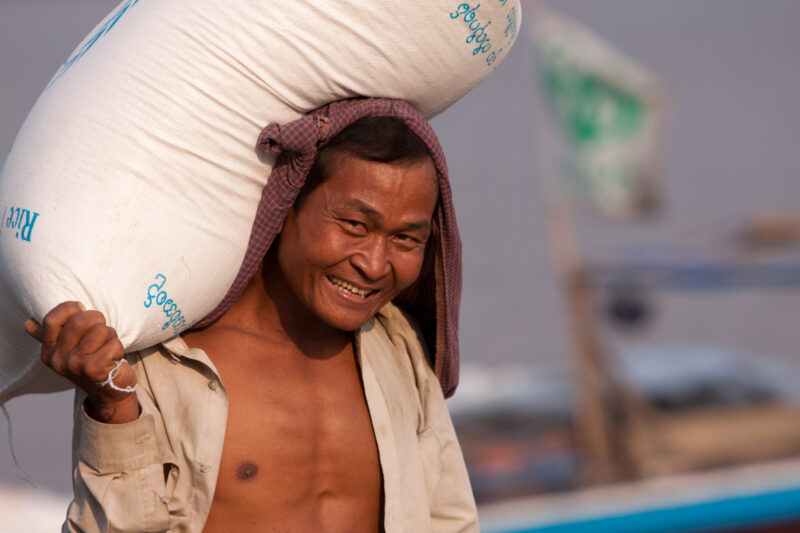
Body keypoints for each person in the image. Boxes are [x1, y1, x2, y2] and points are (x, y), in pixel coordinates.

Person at [24, 98, 477, 532]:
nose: (375, 264)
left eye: (405, 239)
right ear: (285, 207)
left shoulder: (397, 348)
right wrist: (114, 412)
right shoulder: (165, 365)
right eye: (355, 226)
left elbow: (450, 519)